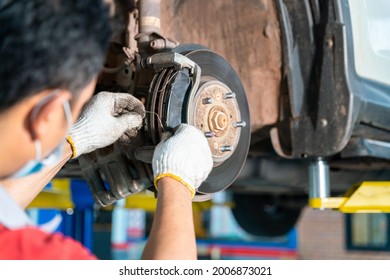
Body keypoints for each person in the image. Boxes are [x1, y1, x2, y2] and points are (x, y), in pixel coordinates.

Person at [0, 0, 213, 259]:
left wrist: (74, 140)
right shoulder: (33, 256)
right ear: (48, 113)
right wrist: (177, 182)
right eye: (73, 111)